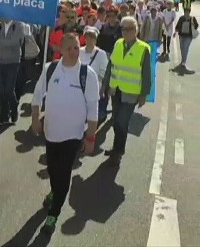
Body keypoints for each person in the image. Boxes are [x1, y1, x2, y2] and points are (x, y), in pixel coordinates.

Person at [31, 33, 99, 235]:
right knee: (53, 170)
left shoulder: (88, 74)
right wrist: (35, 118)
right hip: (51, 133)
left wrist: (91, 137)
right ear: (60, 50)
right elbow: (36, 96)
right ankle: (55, 192)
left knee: (63, 174)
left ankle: (53, 214)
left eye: (76, 47)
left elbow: (93, 109)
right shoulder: (50, 69)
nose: (74, 52)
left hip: (73, 136)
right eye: (69, 48)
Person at [103, 16, 151, 166]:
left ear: (136, 30)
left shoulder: (143, 48)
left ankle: (118, 151)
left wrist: (144, 94)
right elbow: (111, 66)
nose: (126, 32)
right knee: (116, 121)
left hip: (131, 93)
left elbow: (146, 74)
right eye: (124, 29)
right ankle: (116, 148)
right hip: (115, 89)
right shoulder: (118, 43)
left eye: (130, 29)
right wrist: (105, 83)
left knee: (121, 123)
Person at [174, 6, 198, 72]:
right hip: (181, 36)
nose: (186, 13)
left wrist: (193, 25)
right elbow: (178, 26)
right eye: (185, 12)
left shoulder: (192, 18)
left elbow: (196, 25)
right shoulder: (181, 18)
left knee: (186, 48)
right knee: (182, 48)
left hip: (189, 36)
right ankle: (183, 60)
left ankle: (184, 62)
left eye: (187, 12)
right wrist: (175, 32)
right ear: (184, 12)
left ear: (189, 12)